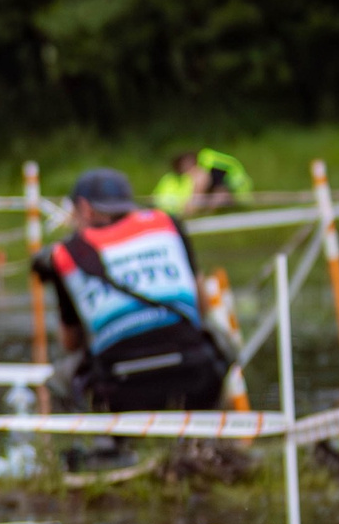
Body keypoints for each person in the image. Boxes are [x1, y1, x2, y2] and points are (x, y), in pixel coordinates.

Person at [32, 167, 227, 415]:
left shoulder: (67, 254)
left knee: (59, 379)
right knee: (219, 336)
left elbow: (71, 342)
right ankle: (217, 439)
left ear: (84, 208)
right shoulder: (167, 224)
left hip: (120, 389)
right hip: (195, 375)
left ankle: (93, 448)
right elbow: (203, 306)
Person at [151, 147, 253, 217]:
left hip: (235, 197)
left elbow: (221, 190)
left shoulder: (205, 172)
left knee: (213, 191)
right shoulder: (172, 180)